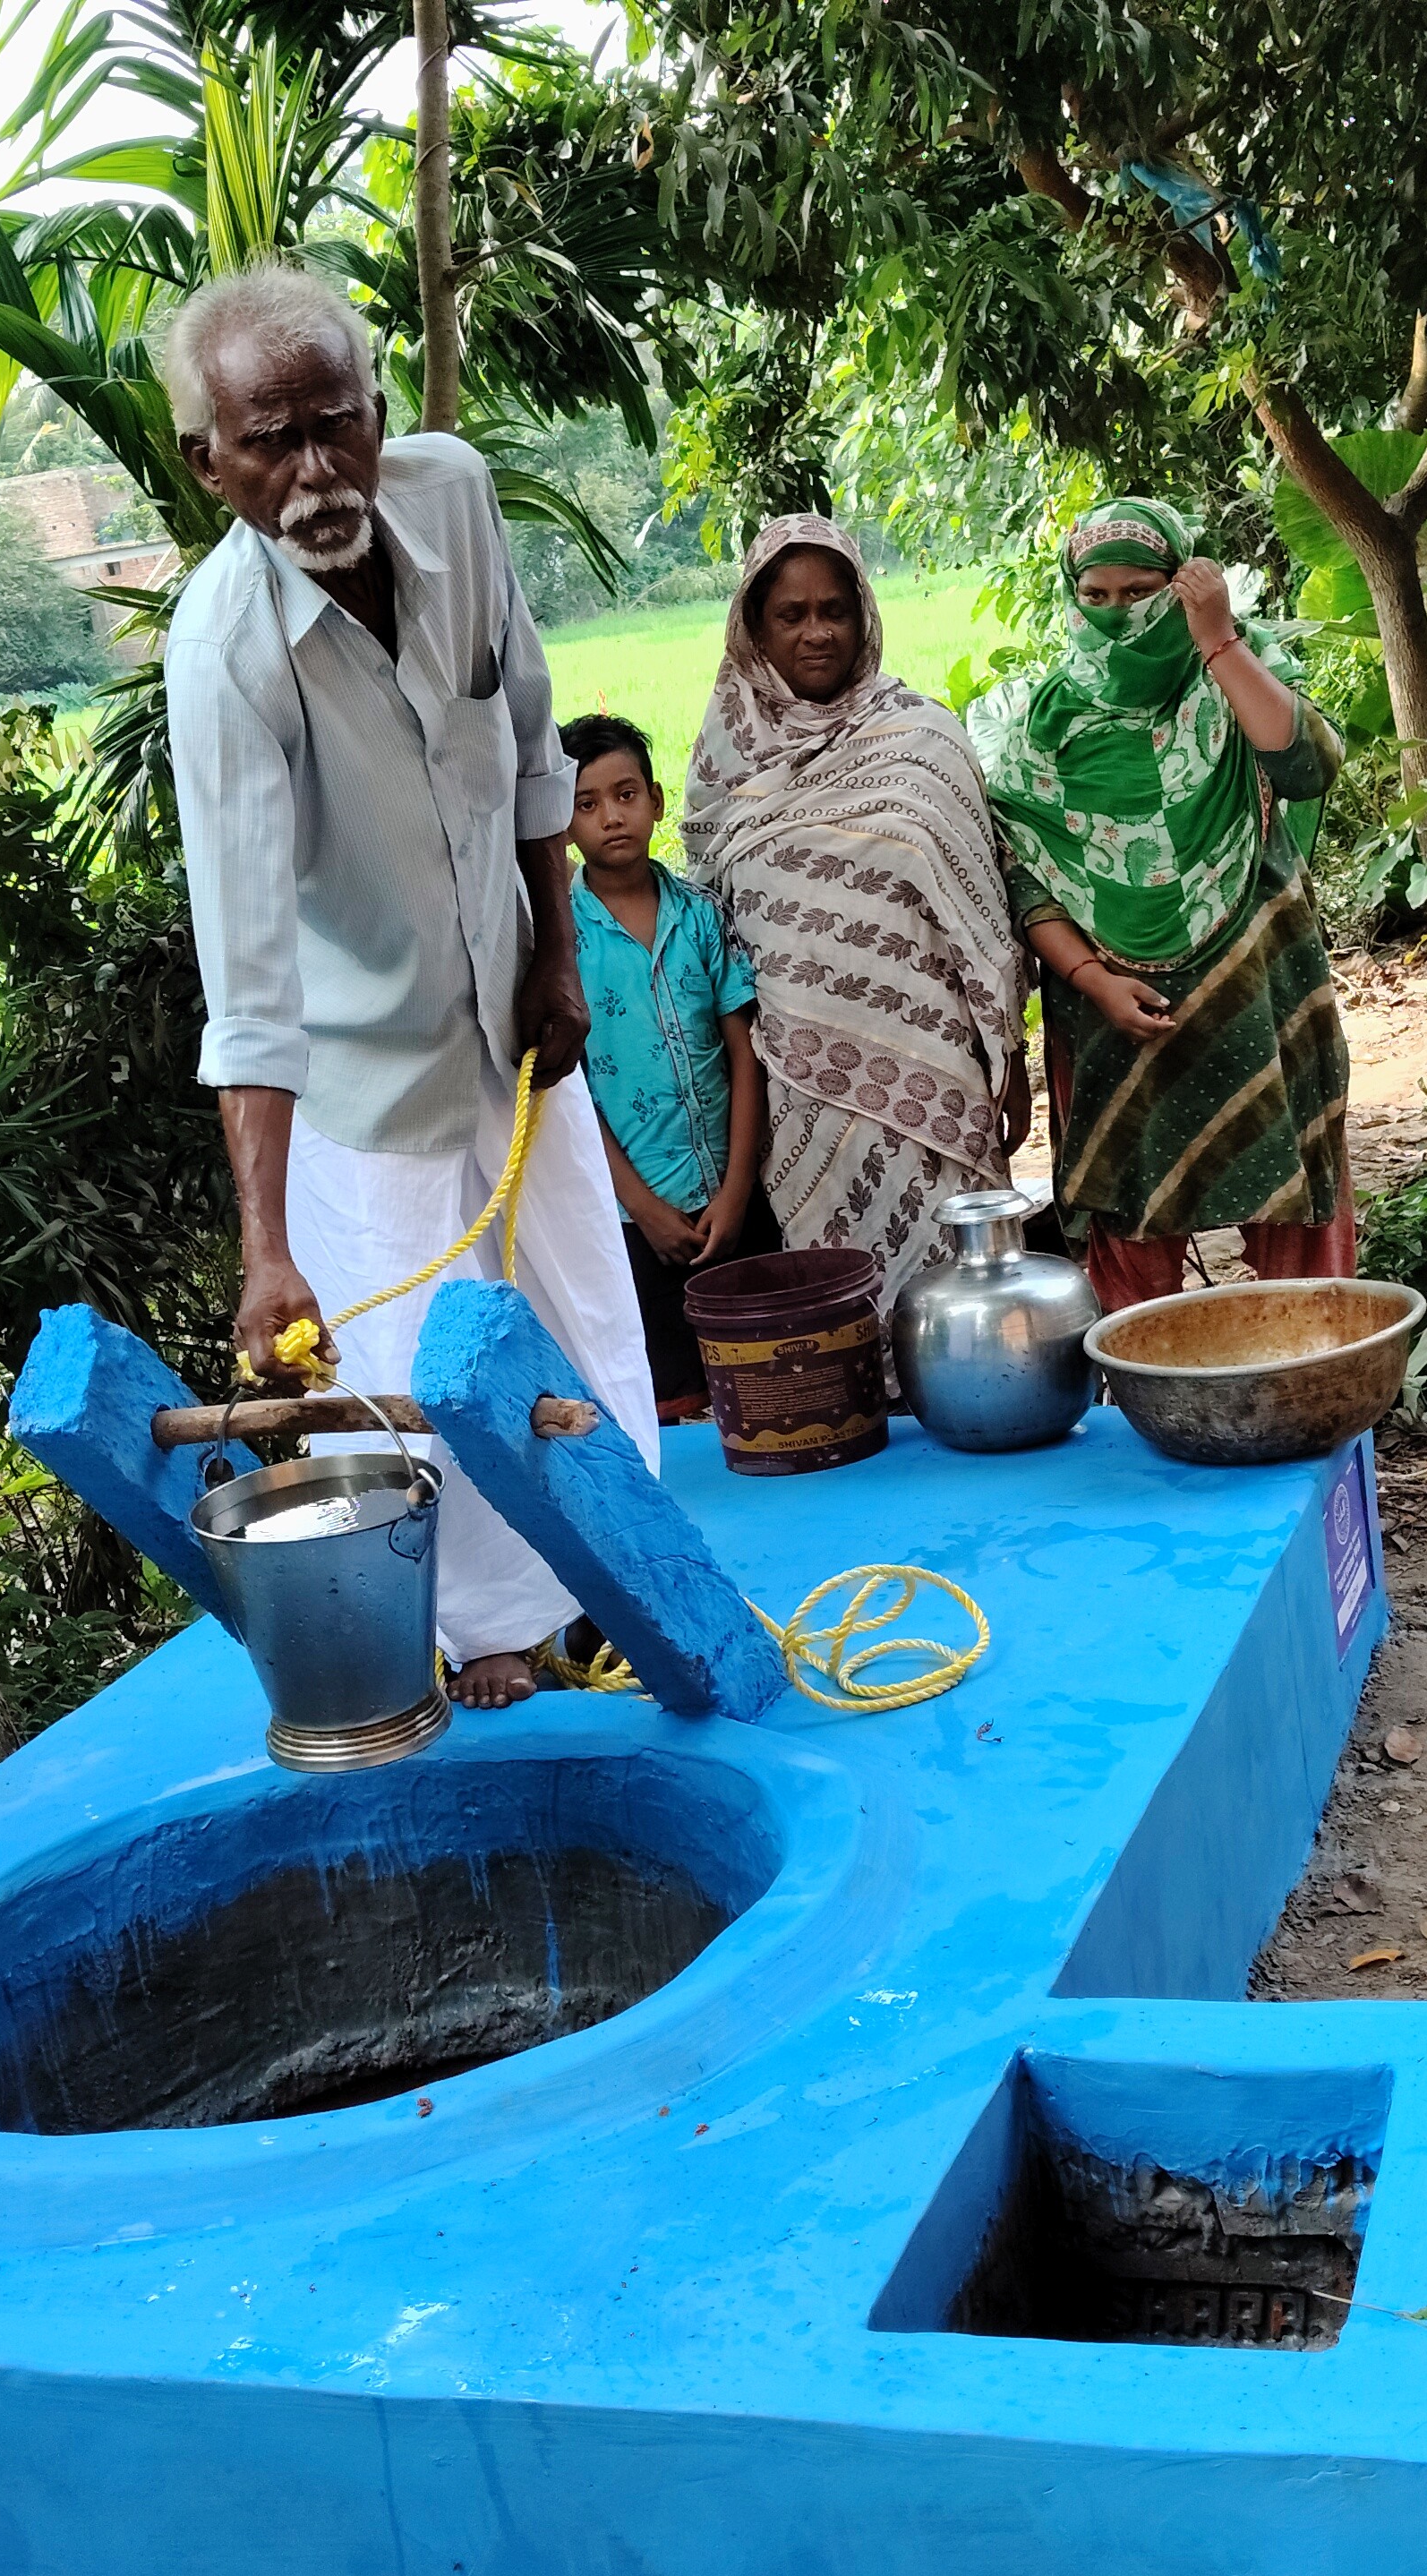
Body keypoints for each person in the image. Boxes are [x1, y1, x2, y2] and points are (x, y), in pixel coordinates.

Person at [160, 261, 658, 1712]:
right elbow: (246, 970)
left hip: (511, 1021)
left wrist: (556, 955)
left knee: (579, 1303)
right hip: (362, 1078)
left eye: (337, 424)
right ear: (211, 464)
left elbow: (527, 736)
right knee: (423, 1363)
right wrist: (265, 1252)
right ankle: (488, 1638)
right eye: (269, 441)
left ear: (379, 416)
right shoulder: (226, 658)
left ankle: (620, 1583)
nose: (315, 470)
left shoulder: (450, 494)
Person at [971, 498, 1357, 1311]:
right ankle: (1146, 1407)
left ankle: (1312, 1388)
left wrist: (1217, 640)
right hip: (1114, 1022)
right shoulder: (1050, 719)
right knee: (1128, 1231)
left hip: (1255, 996)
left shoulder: (1229, 681)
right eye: (1097, 594)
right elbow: (1022, 868)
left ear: (1184, 585)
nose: (1117, 616)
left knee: (1293, 1208)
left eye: (1142, 592)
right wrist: (1090, 979)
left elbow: (1309, 767)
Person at [681, 514, 1028, 1309]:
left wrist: (1010, 1060)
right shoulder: (722, 767)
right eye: (791, 615)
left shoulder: (924, 740)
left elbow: (986, 921)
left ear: (863, 614)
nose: (816, 633)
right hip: (802, 1090)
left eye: (834, 610)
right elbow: (715, 930)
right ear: (753, 630)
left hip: (937, 1072)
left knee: (959, 1294)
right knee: (839, 1298)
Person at [558, 712, 773, 1419]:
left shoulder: (702, 917)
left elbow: (744, 1057)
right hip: (631, 1221)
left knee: (762, 1376)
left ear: (654, 799)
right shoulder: (559, 944)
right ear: (561, 824)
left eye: (625, 795)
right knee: (672, 1398)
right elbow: (569, 1093)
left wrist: (738, 1191)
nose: (610, 818)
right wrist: (644, 1209)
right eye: (586, 805)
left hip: (729, 1202)